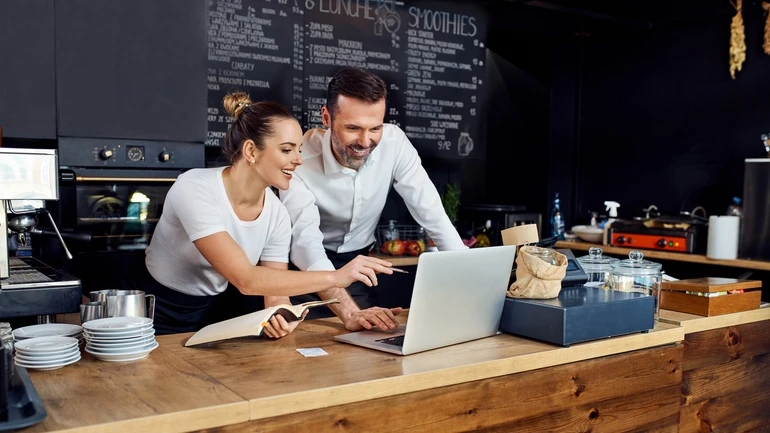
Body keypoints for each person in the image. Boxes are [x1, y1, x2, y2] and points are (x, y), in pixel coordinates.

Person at [135, 92, 396, 335]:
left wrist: (280, 313)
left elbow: (275, 290)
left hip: (217, 311)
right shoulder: (195, 188)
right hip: (156, 311)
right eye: (286, 149)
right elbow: (246, 279)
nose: (298, 160)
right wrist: (337, 277)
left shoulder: (277, 214)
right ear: (250, 151)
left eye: (299, 150)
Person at [279, 67, 467, 323]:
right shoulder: (299, 159)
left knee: (366, 344)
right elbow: (305, 243)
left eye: (375, 128)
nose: (365, 142)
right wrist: (349, 312)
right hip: (303, 271)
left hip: (358, 266)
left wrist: (470, 282)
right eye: (353, 128)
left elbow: (432, 213)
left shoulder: (394, 143)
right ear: (326, 117)